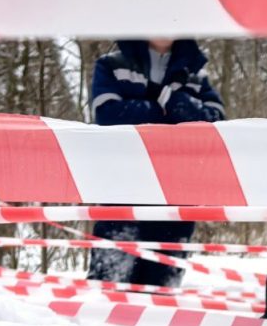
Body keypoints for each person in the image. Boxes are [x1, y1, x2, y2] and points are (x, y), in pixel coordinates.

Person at [88, 39, 226, 288]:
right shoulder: (111, 64)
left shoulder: (196, 73)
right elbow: (109, 116)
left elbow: (213, 124)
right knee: (107, 290)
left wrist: (167, 98)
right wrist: (170, 116)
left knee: (160, 293)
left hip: (177, 198)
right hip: (121, 194)